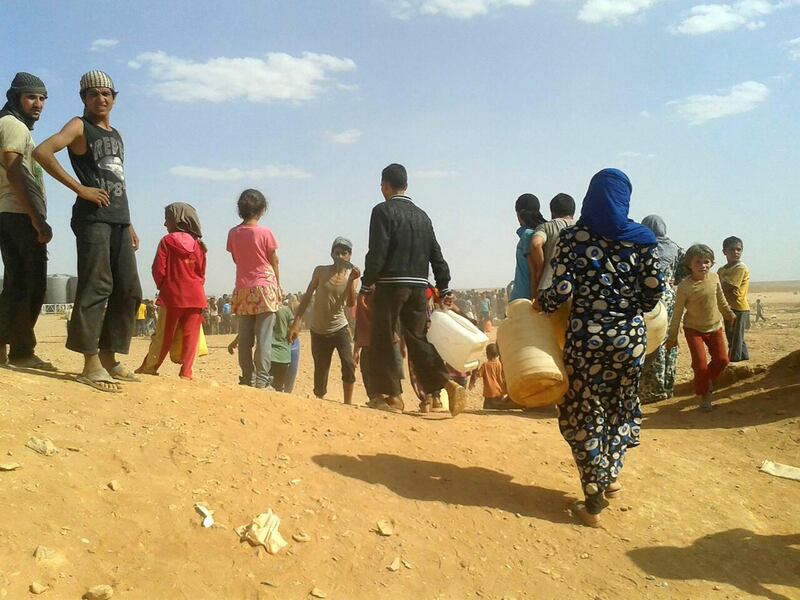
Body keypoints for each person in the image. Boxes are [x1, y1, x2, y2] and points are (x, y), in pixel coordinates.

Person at [538, 168, 664, 527]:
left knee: (583, 409)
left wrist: (541, 305)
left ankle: (594, 491)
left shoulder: (573, 237)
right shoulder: (642, 239)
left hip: (586, 339)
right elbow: (654, 290)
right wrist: (629, 308)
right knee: (620, 407)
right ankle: (610, 474)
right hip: (630, 340)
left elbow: (560, 291)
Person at [34, 70, 142, 392]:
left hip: (118, 219)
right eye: (93, 94)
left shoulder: (117, 134)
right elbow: (42, 151)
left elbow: (118, 181)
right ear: (84, 98)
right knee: (97, 286)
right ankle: (90, 362)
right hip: (92, 219)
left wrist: (129, 222)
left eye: (106, 93)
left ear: (114, 97)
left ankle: (109, 356)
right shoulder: (80, 126)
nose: (101, 98)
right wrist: (80, 188)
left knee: (129, 289)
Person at [359, 163, 466, 415]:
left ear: (385, 186)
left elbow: (377, 251)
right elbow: (436, 253)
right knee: (419, 339)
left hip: (390, 285)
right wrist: (444, 285)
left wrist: (366, 284)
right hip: (419, 287)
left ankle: (392, 397)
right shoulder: (422, 216)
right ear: (406, 185)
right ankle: (445, 384)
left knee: (383, 338)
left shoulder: (382, 211)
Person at [0, 72, 55, 370]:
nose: (38, 104)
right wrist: (37, 219)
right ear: (15, 98)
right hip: (18, 213)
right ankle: (22, 351)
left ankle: (5, 348)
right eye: (31, 97)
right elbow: (14, 170)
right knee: (31, 284)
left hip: (10, 212)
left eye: (42, 98)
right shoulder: (12, 125)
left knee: (17, 283)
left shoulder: (13, 125)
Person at [137, 203, 206, 379]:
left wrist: (164, 287)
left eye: (167, 219)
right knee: (191, 337)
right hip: (196, 297)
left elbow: (158, 269)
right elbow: (201, 272)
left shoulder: (167, 241)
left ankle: (150, 367)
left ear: (177, 220)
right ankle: (186, 372)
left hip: (172, 296)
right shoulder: (199, 245)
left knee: (163, 336)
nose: (165, 224)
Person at [288, 237, 360, 404]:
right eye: (337, 252)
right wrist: (296, 322)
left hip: (340, 327)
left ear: (349, 256)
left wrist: (350, 281)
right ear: (331, 253)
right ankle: (320, 401)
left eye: (345, 253)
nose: (340, 256)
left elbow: (350, 303)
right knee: (321, 370)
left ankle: (347, 403)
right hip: (319, 330)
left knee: (348, 363)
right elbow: (306, 297)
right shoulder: (320, 271)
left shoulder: (352, 276)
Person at [667, 244, 735, 412]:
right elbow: (677, 314)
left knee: (722, 360)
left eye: (706, 262)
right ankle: (704, 396)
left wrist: (729, 314)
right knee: (700, 365)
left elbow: (721, 299)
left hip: (714, 326)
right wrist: (672, 337)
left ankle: (705, 380)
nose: (703, 266)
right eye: (698, 262)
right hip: (693, 329)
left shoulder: (714, 278)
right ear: (689, 264)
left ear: (711, 263)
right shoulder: (684, 287)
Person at [227, 188, 281, 389]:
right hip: (265, 287)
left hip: (243, 288)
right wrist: (278, 285)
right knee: (264, 338)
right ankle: (262, 380)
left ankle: (247, 377)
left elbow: (236, 259)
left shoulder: (233, 233)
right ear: (262, 209)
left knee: (246, 337)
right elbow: (273, 261)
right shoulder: (265, 233)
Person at [638, 215, 685, 404]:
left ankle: (653, 390)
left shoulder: (642, 247)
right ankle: (667, 386)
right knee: (669, 339)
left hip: (651, 299)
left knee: (652, 342)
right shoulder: (676, 248)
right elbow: (684, 273)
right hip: (670, 296)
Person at [531, 193, 575, 294]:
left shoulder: (546, 227)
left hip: (549, 288)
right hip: (575, 289)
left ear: (552, 211)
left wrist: (540, 270)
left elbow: (536, 244)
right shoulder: (583, 229)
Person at [718, 236, 750, 362]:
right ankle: (743, 360)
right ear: (724, 251)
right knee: (733, 337)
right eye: (732, 249)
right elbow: (722, 286)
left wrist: (722, 283)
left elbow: (727, 287)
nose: (736, 252)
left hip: (739, 308)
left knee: (736, 339)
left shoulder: (740, 267)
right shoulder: (723, 269)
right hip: (728, 307)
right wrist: (723, 285)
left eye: (739, 249)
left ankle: (734, 362)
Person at [509, 194, 546, 302]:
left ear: (519, 213)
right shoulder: (541, 233)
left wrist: (534, 297)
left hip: (523, 298)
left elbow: (533, 270)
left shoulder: (528, 235)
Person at [469, 343, 513, 410]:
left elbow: (477, 375)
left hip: (489, 393)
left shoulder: (485, 365)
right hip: (500, 392)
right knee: (499, 409)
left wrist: (475, 369)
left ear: (487, 354)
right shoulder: (500, 365)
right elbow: (504, 377)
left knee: (487, 409)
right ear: (497, 354)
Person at [269, 302, 294, 391]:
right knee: (279, 388)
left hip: (266, 355)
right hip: (283, 355)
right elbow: (294, 328)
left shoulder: (263, 309)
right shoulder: (286, 310)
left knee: (264, 387)